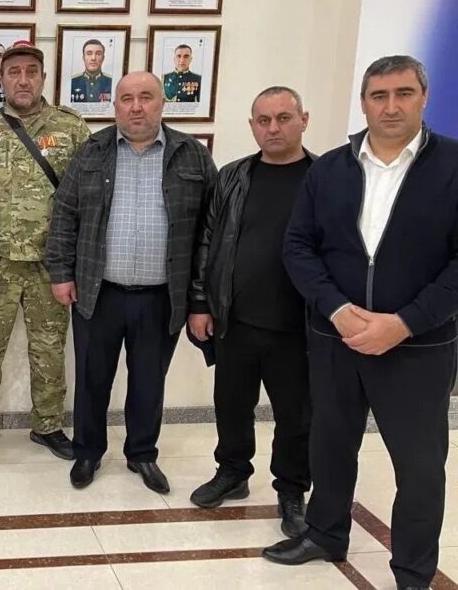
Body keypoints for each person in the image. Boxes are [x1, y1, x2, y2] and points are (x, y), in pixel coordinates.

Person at [264, 56, 458, 590]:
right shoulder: (330, 168)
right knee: (330, 445)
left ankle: (413, 570)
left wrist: (405, 322)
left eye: (403, 93)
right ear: (364, 103)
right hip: (335, 339)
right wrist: (337, 310)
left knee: (419, 467)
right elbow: (298, 246)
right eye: (379, 95)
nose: (391, 106)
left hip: (418, 347)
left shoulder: (452, 165)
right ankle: (325, 533)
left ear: (424, 97)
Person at [45, 71, 216, 494]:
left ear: (162, 103)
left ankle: (142, 453)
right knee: (92, 378)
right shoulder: (91, 151)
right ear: (115, 105)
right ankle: (88, 451)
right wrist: (61, 273)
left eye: (146, 97)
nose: (136, 107)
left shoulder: (192, 156)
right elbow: (64, 214)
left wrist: (200, 300)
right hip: (98, 291)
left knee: (148, 381)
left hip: (162, 296)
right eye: (127, 99)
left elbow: (209, 233)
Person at [187, 87, 314, 538]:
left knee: (296, 415)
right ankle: (233, 471)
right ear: (252, 126)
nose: (273, 128)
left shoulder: (325, 177)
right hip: (235, 319)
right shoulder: (233, 177)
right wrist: (200, 303)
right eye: (263, 120)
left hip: (298, 326)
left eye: (283, 118)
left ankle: (292, 489)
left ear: (303, 120)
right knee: (232, 404)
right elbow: (207, 242)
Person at [0, 41, 90, 463]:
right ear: (0, 79)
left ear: (43, 78)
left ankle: (48, 425)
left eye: (31, 72)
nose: (23, 80)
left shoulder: (70, 127)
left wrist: (75, 263)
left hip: (50, 266)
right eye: (13, 72)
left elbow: (85, 197)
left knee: (49, 350)